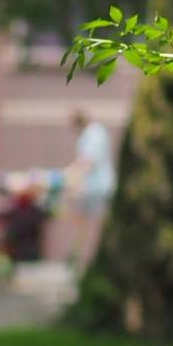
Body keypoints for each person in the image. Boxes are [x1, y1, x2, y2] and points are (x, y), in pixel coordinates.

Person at [64, 110, 115, 263]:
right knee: (84, 221)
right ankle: (79, 254)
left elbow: (88, 162)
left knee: (90, 223)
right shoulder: (93, 133)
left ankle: (87, 256)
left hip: (97, 188)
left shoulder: (93, 134)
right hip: (94, 187)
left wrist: (70, 176)